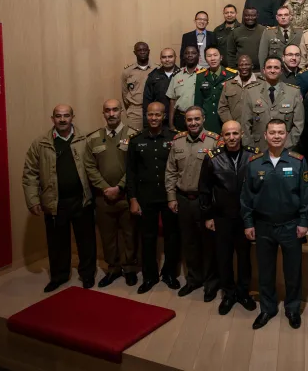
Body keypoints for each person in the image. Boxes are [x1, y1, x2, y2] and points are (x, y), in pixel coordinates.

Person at [241, 120, 308, 330]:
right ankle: (267, 308)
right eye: (272, 132)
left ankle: (292, 309)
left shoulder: (298, 161)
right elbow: (246, 197)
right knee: (266, 271)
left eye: (280, 133)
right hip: (263, 226)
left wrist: (304, 222)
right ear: (265, 135)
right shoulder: (254, 163)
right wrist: (247, 222)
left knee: (293, 271)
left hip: (291, 225)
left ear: (286, 135)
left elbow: (306, 195)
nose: (276, 136)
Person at [23, 104, 97, 292]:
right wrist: (32, 200)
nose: (62, 119)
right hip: (55, 202)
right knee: (57, 243)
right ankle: (59, 276)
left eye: (66, 115)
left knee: (86, 241)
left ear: (73, 117)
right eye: (58, 116)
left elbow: (97, 166)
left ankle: (87, 275)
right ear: (52, 118)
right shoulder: (40, 143)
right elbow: (30, 173)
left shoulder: (86, 139)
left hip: (82, 200)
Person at [198, 120, 258, 315]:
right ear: (222, 137)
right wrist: (208, 216)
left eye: (235, 133)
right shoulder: (212, 158)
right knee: (223, 258)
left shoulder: (252, 155)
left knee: (244, 258)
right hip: (221, 217)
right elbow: (204, 189)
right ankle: (229, 294)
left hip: (245, 217)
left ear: (241, 134)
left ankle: (243, 292)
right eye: (227, 134)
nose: (231, 138)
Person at [165, 106, 220, 301]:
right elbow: (170, 171)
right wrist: (171, 197)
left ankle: (211, 284)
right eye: (189, 120)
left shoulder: (214, 141)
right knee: (189, 243)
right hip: (183, 200)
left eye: (197, 119)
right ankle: (193, 279)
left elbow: (218, 176)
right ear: (185, 121)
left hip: (204, 201)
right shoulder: (178, 141)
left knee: (208, 244)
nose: (193, 123)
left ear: (204, 119)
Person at [82, 100, 139, 288]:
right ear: (103, 114)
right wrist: (106, 187)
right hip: (103, 198)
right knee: (107, 236)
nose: (112, 113)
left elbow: (135, 166)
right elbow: (89, 166)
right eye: (108, 110)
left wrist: (120, 187)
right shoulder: (93, 138)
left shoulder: (133, 136)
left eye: (115, 110)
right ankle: (113, 269)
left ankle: (130, 269)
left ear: (121, 111)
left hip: (126, 197)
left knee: (130, 235)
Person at [126, 102, 180, 294]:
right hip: (145, 197)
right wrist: (132, 198)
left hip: (169, 196)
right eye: (151, 115)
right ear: (146, 116)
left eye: (158, 115)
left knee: (172, 237)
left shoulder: (175, 138)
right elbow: (130, 173)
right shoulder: (136, 140)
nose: (154, 118)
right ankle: (149, 276)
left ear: (164, 116)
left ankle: (170, 274)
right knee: (147, 238)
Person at [240, 56, 305, 151]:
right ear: (264, 70)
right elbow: (245, 124)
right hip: (258, 148)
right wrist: (251, 148)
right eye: (269, 67)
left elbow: (298, 124)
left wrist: (286, 145)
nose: (272, 70)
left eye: (276, 67)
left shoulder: (293, 92)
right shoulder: (251, 92)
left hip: (285, 149)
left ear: (281, 70)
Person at [194, 47, 236, 132]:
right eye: (209, 56)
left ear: (221, 57)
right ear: (205, 59)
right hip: (208, 121)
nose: (212, 58)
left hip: (226, 120)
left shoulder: (231, 75)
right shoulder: (200, 76)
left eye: (215, 55)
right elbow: (198, 102)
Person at [168, 46, 202, 131]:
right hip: (180, 118)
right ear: (183, 56)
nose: (190, 55)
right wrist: (171, 123)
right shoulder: (177, 75)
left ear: (199, 55)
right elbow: (172, 100)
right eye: (187, 53)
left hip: (199, 119)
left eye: (193, 53)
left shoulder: (205, 73)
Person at [122, 41, 153, 130]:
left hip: (153, 111)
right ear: (134, 53)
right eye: (139, 50)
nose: (142, 52)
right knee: (134, 139)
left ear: (149, 51)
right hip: (135, 112)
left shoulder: (157, 69)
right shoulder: (127, 71)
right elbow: (125, 93)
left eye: (144, 50)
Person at [143, 48, 179, 125]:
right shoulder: (153, 76)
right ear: (160, 59)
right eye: (164, 57)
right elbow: (147, 100)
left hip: (178, 118)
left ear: (175, 57)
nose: (167, 60)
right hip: (157, 119)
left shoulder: (182, 74)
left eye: (170, 57)